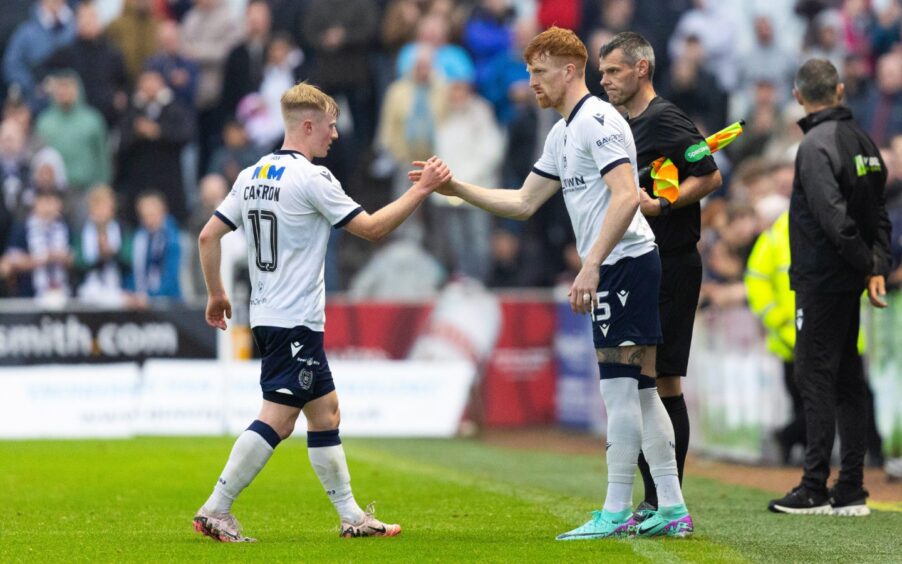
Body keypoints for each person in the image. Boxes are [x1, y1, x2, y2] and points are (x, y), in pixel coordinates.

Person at [412, 26, 692, 539]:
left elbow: (627, 197)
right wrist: (455, 188)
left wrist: (591, 265)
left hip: (624, 261)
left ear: (568, 70)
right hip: (622, 260)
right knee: (645, 392)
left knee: (620, 393)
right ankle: (671, 507)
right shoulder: (563, 131)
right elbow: (522, 203)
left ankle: (614, 510)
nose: (532, 84)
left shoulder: (598, 120)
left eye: (539, 72)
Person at [193, 82, 451, 542]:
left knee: (326, 412)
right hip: (294, 318)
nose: (334, 136)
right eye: (330, 127)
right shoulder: (313, 179)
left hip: (270, 315)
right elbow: (371, 229)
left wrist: (216, 294)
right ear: (307, 126)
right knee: (279, 416)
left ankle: (352, 517)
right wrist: (423, 190)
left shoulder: (251, 173)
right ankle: (216, 508)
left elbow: (208, 237)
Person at [598, 31, 721, 521]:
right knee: (642, 382)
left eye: (613, 71)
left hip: (671, 261)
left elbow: (710, 174)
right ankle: (656, 501)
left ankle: (662, 501)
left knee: (663, 381)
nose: (604, 81)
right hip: (641, 262)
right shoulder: (622, 125)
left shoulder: (665, 117)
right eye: (603, 72)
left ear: (641, 69)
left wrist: (664, 203)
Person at [768, 59, 891, 517]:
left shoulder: (814, 144)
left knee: (815, 376)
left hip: (822, 279)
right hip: (848, 279)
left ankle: (815, 486)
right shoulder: (864, 142)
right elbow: (879, 213)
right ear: (839, 90)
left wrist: (866, 265)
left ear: (799, 96)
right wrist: (875, 266)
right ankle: (852, 488)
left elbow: (832, 219)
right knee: (847, 380)